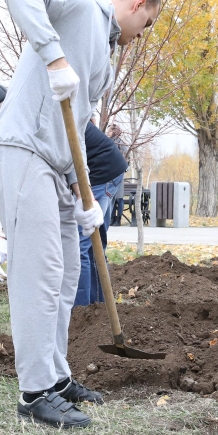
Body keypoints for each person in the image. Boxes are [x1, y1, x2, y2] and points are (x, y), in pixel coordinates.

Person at [0, 0, 160, 429]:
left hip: (56, 166)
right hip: (23, 151)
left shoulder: (101, 50)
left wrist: (85, 196)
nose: (140, 37)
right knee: (38, 275)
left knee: (67, 273)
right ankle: (34, 391)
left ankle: (57, 377)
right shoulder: (84, 7)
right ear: (137, 5)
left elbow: (76, 124)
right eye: (146, 26)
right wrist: (54, 57)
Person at [75, 121, 127, 306]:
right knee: (93, 242)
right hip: (108, 170)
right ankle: (97, 305)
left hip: (100, 173)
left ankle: (81, 309)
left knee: (81, 243)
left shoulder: (52, 116)